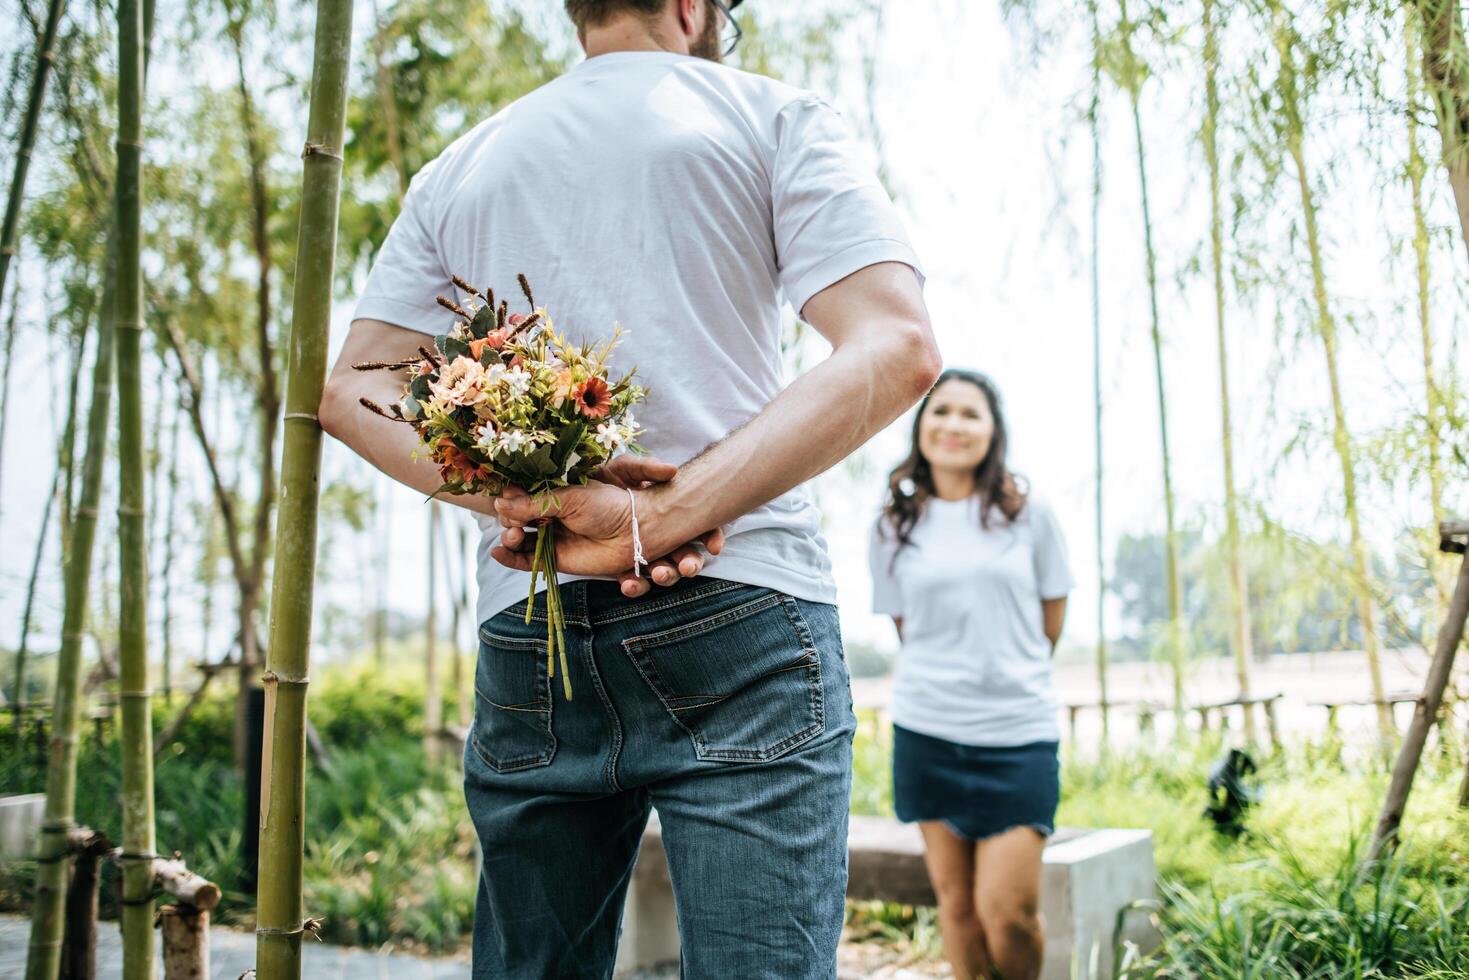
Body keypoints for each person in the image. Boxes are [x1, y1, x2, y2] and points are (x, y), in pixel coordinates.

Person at [317, 0, 943, 976]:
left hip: (532, 628)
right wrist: (657, 518)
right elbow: (895, 345)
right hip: (740, 608)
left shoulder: (467, 163)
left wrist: (527, 500)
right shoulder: (768, 116)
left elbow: (351, 386)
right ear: (692, 9)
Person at [868, 369, 1073, 980]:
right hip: (927, 731)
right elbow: (909, 628)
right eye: (941, 411)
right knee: (956, 907)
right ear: (921, 425)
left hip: (1018, 734)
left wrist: (1005, 674)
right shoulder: (892, 527)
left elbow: (1050, 625)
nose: (954, 425)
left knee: (1007, 912)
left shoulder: (1030, 516)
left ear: (993, 431)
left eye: (970, 414)